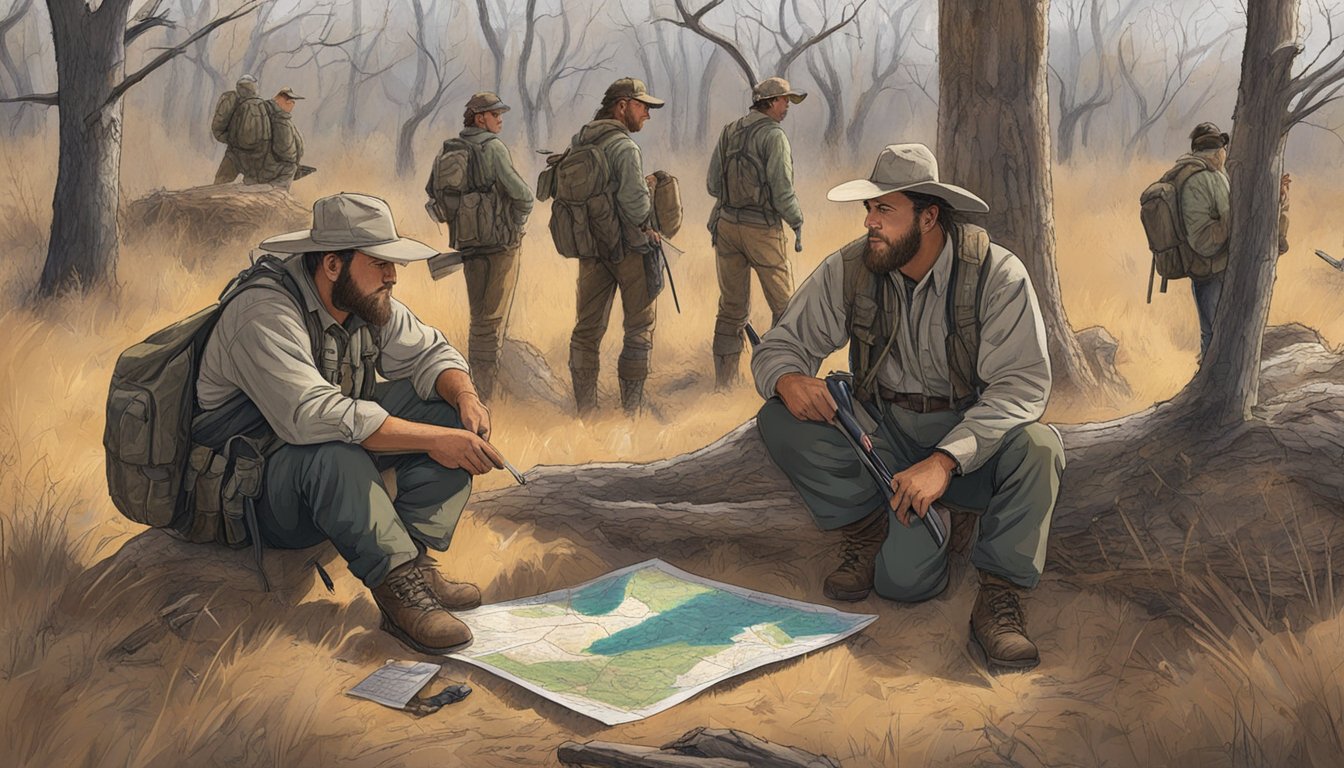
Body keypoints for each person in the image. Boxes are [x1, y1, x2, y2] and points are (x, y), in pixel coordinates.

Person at [752, 144, 1065, 672]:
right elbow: (781, 345)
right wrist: (787, 378)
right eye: (869, 211)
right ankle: (867, 529)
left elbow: (1022, 387)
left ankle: (1001, 601)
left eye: (884, 210)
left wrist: (944, 462)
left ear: (929, 216)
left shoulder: (997, 274)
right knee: (904, 585)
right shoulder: (852, 268)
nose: (870, 223)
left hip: (972, 439)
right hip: (885, 436)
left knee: (1038, 448)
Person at [194, 192, 505, 655]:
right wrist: (438, 440)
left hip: (308, 461)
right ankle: (400, 593)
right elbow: (313, 415)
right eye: (379, 262)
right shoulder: (262, 311)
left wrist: (465, 399)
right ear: (333, 265)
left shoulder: (361, 299)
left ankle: (414, 561)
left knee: (442, 410)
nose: (392, 276)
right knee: (335, 452)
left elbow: (429, 352)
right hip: (253, 493)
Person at [563, 77, 665, 415]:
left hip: (591, 249)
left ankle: (585, 412)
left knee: (586, 329)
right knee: (638, 328)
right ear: (621, 106)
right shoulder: (625, 147)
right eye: (642, 105)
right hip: (629, 248)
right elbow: (635, 206)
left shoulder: (581, 141)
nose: (647, 113)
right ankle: (631, 413)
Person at [425, 92, 534, 401]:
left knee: (479, 320)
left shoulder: (451, 149)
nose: (499, 119)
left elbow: (432, 191)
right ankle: (486, 395)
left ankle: (476, 390)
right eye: (493, 114)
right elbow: (523, 195)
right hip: (500, 245)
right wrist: (516, 224)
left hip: (469, 245)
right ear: (478, 117)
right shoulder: (493, 148)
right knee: (493, 321)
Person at [706, 76, 806, 389]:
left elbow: (712, 184)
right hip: (762, 229)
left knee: (732, 307)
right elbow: (782, 190)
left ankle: (725, 383)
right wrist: (797, 221)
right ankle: (781, 377)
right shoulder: (774, 136)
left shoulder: (729, 131)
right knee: (784, 307)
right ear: (770, 102)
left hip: (727, 226)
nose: (787, 106)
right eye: (784, 100)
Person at [1178, 121, 1291, 358]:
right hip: (1213, 268)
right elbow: (1223, 225)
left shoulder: (1197, 175)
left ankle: (1208, 381)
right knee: (1218, 334)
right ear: (1218, 150)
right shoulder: (1210, 178)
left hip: (1204, 267)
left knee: (1211, 332)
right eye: (1222, 148)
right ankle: (1212, 384)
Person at [244, 87, 306, 188]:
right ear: (282, 100)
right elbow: (285, 149)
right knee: (290, 169)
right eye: (290, 101)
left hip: (254, 166)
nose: (292, 105)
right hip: (272, 169)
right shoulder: (280, 119)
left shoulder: (262, 110)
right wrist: (294, 162)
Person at [211, 74, 260, 184]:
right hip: (247, 155)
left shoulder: (231, 99)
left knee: (219, 187)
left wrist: (234, 140)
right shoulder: (260, 105)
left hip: (241, 153)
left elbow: (217, 129)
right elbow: (218, 129)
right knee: (221, 186)